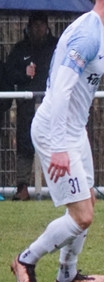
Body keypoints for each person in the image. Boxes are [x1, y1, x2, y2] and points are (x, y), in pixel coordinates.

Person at [10, 0, 104, 282]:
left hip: (73, 130)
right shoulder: (87, 35)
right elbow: (61, 91)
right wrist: (59, 146)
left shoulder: (97, 31)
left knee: (88, 201)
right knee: (81, 216)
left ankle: (67, 275)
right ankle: (25, 260)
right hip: (58, 130)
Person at [5, 12, 58, 201]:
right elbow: (8, 74)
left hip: (51, 103)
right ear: (29, 27)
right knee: (25, 144)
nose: (38, 29)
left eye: (42, 25)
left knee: (54, 144)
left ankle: (59, 187)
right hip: (26, 105)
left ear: (47, 26)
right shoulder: (20, 49)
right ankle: (22, 187)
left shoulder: (56, 46)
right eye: (35, 25)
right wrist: (24, 74)